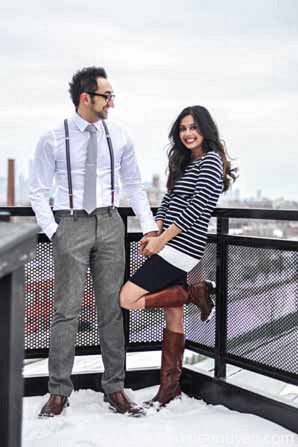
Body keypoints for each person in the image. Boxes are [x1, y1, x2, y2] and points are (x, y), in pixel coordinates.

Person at [30, 66, 158, 417]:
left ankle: (115, 388)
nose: (112, 103)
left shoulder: (119, 136)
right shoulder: (52, 138)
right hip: (70, 224)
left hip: (110, 222)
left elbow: (134, 185)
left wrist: (147, 227)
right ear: (86, 98)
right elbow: (38, 191)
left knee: (111, 310)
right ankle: (58, 391)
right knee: (66, 310)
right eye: (107, 96)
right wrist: (56, 231)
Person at [120, 105, 236, 408]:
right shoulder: (185, 163)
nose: (187, 133)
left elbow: (196, 209)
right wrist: (154, 231)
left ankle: (194, 291)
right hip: (169, 243)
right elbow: (170, 201)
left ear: (205, 130)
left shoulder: (211, 162)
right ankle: (169, 388)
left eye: (193, 127)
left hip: (183, 247)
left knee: (127, 298)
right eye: (183, 128)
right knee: (173, 313)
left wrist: (163, 241)